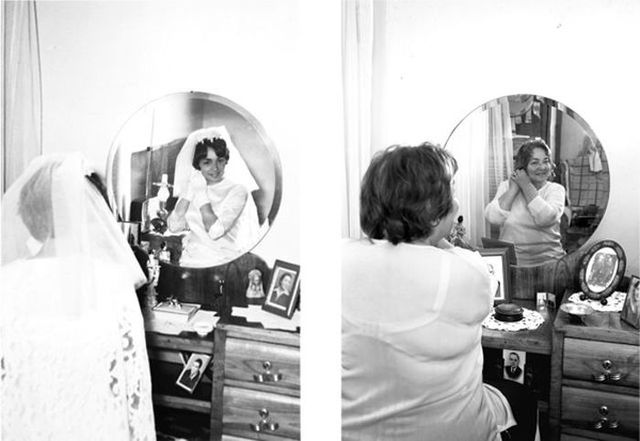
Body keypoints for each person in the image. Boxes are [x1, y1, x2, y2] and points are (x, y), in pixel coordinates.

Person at [343, 143, 537, 441]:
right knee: (522, 396)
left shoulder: (338, 256)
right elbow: (487, 288)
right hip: (447, 432)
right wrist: (437, 237)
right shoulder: (466, 270)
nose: (457, 204)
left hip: (357, 430)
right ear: (434, 214)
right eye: (453, 193)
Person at [0, 153, 155, 440]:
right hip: (94, 427)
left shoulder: (5, 282)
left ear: (30, 214)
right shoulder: (114, 283)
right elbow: (134, 388)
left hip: (23, 426)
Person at [168, 127, 261, 267]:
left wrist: (201, 194)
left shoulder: (237, 191)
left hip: (222, 264)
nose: (215, 168)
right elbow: (174, 227)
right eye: (207, 162)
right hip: (190, 260)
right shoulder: (195, 185)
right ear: (198, 165)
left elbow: (215, 232)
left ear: (226, 161)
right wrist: (188, 192)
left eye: (220, 160)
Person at [484, 138, 566, 266]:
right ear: (522, 167)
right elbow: (493, 218)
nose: (542, 167)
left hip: (550, 262)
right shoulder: (506, 187)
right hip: (514, 263)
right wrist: (513, 190)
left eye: (546, 161)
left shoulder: (555, 189)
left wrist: (526, 185)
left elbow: (545, 218)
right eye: (534, 163)